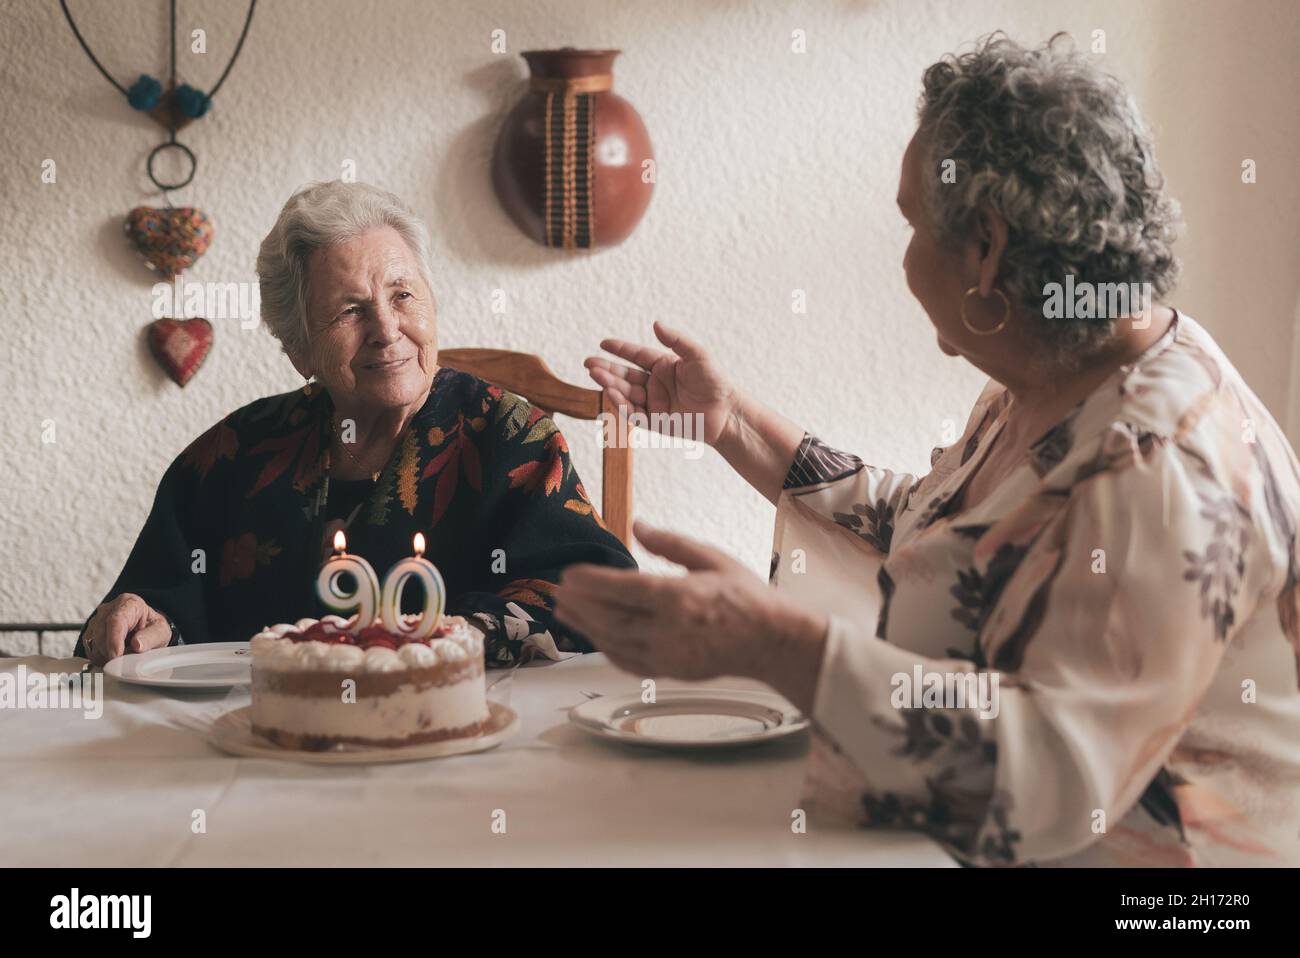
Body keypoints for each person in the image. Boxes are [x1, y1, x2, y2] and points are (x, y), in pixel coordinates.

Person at [558, 33, 1300, 866]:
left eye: (912, 220)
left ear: (983, 249)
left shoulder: (1161, 463)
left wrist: (778, 645)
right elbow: (938, 531)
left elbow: (1054, 778)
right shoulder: (1062, 371)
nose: (905, 253)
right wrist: (730, 422)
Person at [80, 180, 634, 667]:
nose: (387, 329)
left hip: (466, 750)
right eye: (349, 311)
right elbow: (156, 608)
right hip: (265, 757)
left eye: (403, 295)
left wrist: (449, 639)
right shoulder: (234, 455)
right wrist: (142, 623)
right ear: (299, 351)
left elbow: (594, 596)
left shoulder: (510, 436)